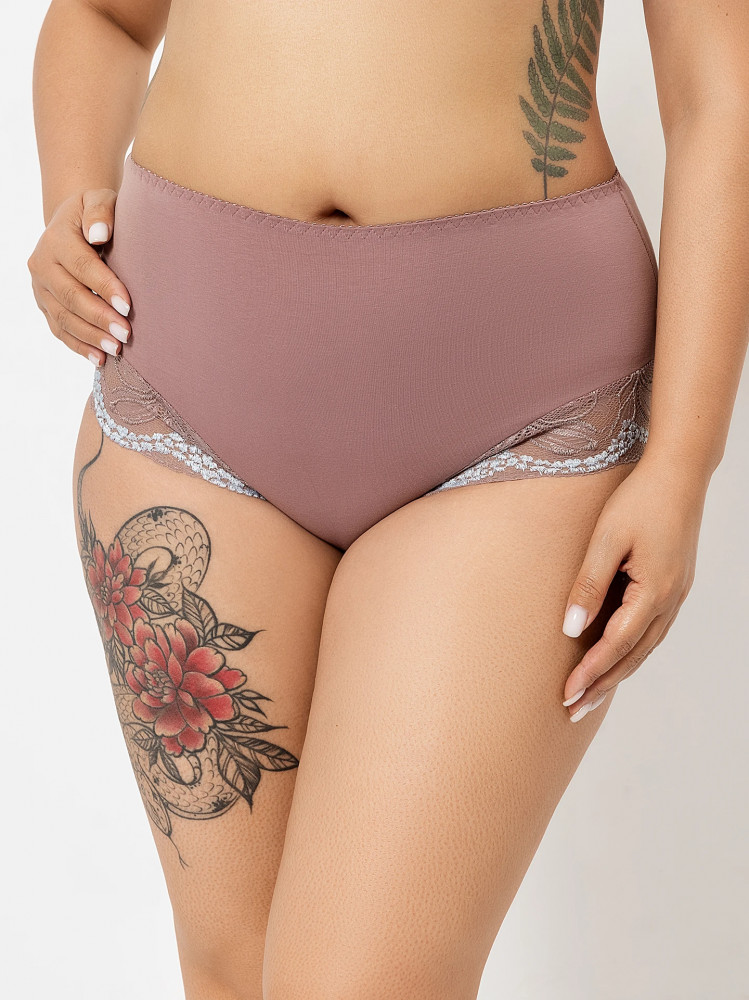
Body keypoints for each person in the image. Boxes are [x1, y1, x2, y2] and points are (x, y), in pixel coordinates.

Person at [27, 2, 748, 998]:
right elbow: (102, 17)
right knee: (235, 974)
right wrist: (69, 200)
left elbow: (719, 94)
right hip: (184, 392)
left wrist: (683, 463)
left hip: (522, 423)